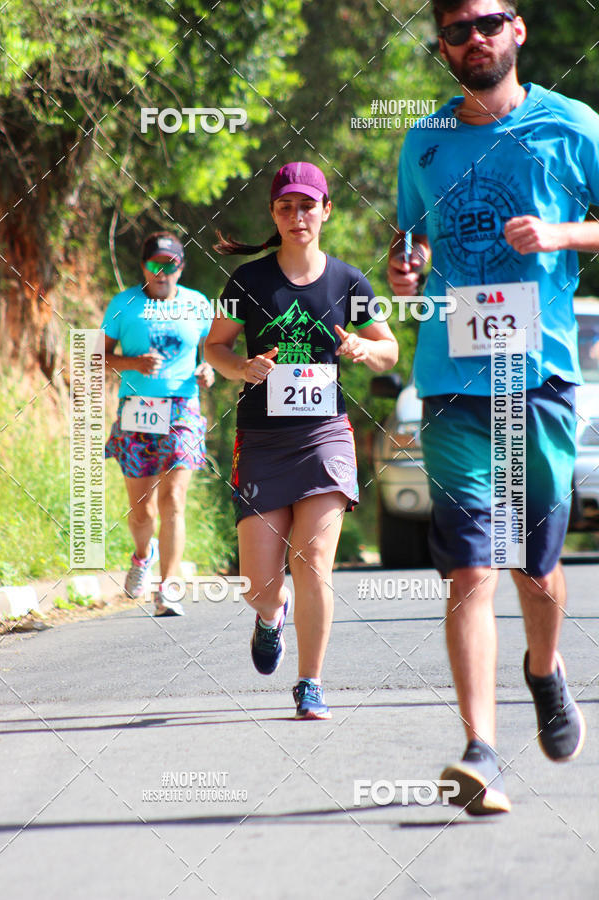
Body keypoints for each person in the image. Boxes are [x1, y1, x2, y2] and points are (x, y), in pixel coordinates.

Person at [389, 0, 598, 814]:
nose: (472, 40)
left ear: (516, 31)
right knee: (469, 564)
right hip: (450, 376)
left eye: (487, 23)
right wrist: (409, 274)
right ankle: (480, 747)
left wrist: (562, 236)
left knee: (533, 568)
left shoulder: (573, 124)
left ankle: (544, 670)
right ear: (442, 47)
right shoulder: (424, 141)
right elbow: (414, 243)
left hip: (538, 376)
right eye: (455, 30)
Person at [205, 162, 398, 719]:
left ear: (326, 211)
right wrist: (240, 368)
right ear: (274, 213)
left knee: (313, 561)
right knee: (258, 584)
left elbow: (388, 349)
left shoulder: (349, 282)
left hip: (325, 438)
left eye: (308, 205)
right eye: (286, 207)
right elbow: (214, 348)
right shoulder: (247, 282)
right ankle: (271, 615)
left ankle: (309, 682)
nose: (297, 216)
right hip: (262, 440)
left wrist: (364, 349)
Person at [102, 231, 214, 616]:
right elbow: (94, 358)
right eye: (155, 265)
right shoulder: (124, 304)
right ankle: (141, 555)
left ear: (181, 267)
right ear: (143, 266)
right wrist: (132, 363)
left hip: (183, 407)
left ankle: (167, 588)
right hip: (136, 409)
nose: (162, 273)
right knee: (142, 511)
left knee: (173, 499)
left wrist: (208, 370)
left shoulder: (198, 304)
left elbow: (214, 351)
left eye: (170, 265)